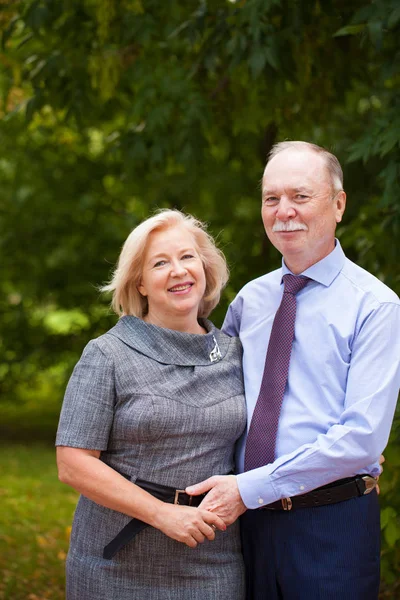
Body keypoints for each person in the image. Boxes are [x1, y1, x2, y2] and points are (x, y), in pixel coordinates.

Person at [187, 141, 400, 599]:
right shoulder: (250, 300)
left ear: (338, 204)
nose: (284, 211)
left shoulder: (376, 306)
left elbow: (361, 437)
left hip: (331, 525)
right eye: (271, 198)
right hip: (246, 526)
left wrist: (250, 488)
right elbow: (213, 395)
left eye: (300, 196)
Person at [56, 209, 246, 600]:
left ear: (205, 268)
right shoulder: (107, 355)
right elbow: (73, 463)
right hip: (116, 565)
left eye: (187, 257)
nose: (178, 271)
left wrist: (351, 462)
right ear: (140, 283)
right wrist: (163, 514)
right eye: (160, 263)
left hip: (213, 560)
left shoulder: (236, 354)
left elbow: (281, 419)